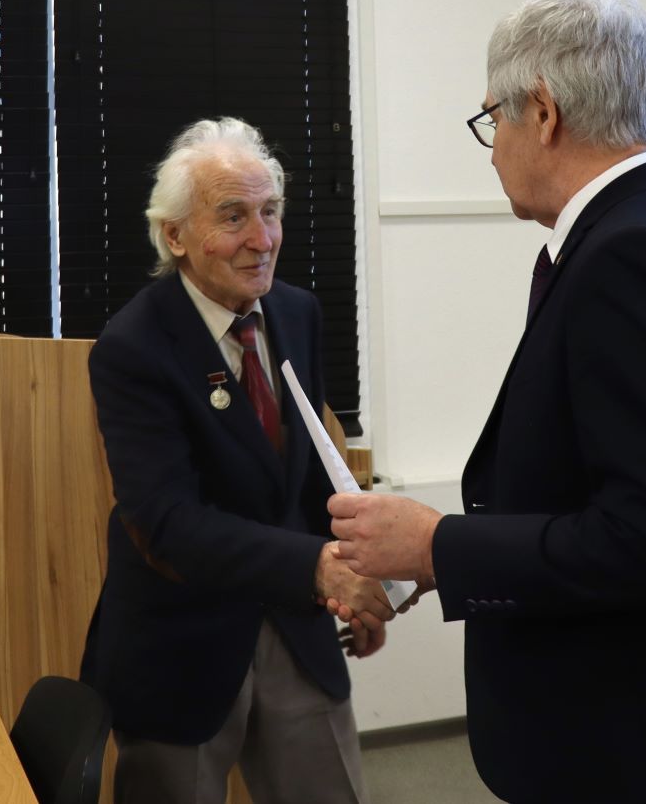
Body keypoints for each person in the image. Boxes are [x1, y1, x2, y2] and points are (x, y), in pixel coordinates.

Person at [327, 0, 646, 804]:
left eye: (493, 119)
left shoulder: (632, 258)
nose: (491, 150)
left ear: (543, 112)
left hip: (640, 748)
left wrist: (439, 546)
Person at [81, 117, 393, 804]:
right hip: (181, 643)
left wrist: (356, 577)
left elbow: (307, 475)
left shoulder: (297, 313)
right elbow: (167, 521)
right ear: (175, 236)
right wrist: (317, 567)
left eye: (270, 212)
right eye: (233, 217)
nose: (262, 238)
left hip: (296, 625)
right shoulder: (133, 348)